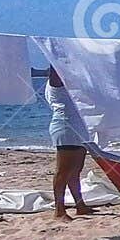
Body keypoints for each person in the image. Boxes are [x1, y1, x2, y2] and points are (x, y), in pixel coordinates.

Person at [45, 67, 96, 220]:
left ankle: (80, 205)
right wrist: (57, 49)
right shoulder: (56, 85)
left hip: (79, 128)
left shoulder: (73, 84)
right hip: (65, 126)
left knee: (76, 170)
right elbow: (54, 66)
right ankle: (59, 210)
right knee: (63, 170)